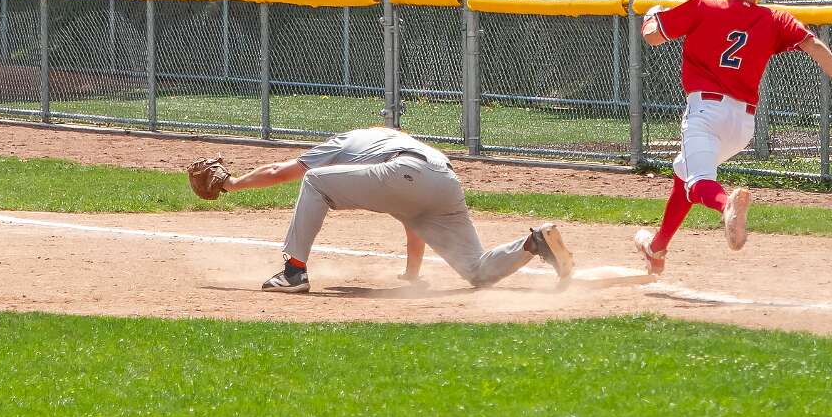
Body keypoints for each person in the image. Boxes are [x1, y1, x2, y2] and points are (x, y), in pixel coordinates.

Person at [632, 0, 832, 275]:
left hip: (705, 113)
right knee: (683, 173)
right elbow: (815, 45)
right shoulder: (774, 19)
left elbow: (653, 37)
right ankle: (657, 249)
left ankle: (725, 206)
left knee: (698, 182)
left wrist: (651, 16)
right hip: (742, 126)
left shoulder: (704, 6)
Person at [193, 127, 574, 293]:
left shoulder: (348, 140)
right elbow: (411, 214)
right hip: (445, 182)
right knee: (476, 271)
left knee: (315, 179)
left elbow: (281, 172)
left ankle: (293, 273)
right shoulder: (397, 141)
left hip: (406, 171)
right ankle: (533, 243)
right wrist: (413, 274)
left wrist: (232, 183)